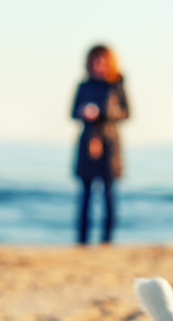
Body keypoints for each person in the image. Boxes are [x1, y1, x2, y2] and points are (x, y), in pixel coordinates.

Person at [71, 45, 130, 245]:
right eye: (95, 61)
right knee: (85, 197)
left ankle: (107, 242)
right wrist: (82, 112)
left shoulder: (116, 85)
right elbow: (71, 112)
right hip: (87, 144)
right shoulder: (84, 85)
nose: (99, 65)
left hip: (110, 145)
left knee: (109, 196)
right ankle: (82, 241)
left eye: (102, 61)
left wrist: (104, 113)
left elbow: (126, 113)